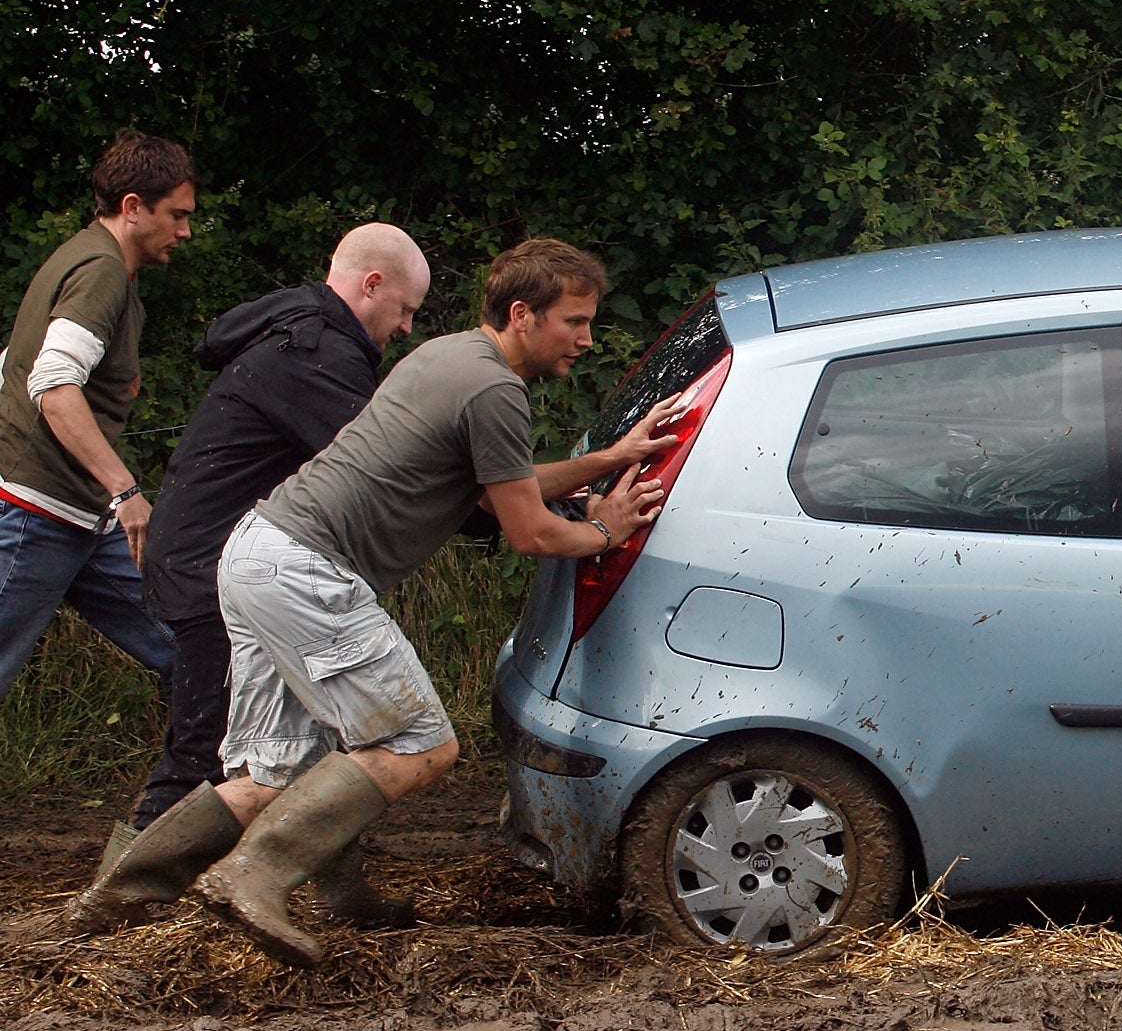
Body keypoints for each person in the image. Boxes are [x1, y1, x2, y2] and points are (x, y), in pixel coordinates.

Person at [69, 237, 678, 964]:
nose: (584, 338)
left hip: (256, 551)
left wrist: (608, 461)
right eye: (574, 321)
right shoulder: (494, 391)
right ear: (523, 314)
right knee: (419, 743)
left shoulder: (451, 357)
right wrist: (604, 530)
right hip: (306, 571)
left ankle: (114, 901)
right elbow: (528, 529)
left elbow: (501, 485)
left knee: (268, 773)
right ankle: (252, 875)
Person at [71, 226, 430, 925]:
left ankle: (338, 891)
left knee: (320, 728)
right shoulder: (315, 356)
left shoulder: (307, 341)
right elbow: (383, 467)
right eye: (407, 308)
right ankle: (114, 903)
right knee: (204, 740)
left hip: (220, 556)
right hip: (214, 567)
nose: (408, 326)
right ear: (372, 285)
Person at [0, 131, 196, 708]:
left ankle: (209, 784)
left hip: (81, 519)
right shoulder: (100, 272)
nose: (185, 231)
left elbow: (14, 360)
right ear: (133, 207)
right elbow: (53, 386)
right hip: (33, 516)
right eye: (177, 215)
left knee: (193, 647)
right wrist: (125, 491)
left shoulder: (90, 259)